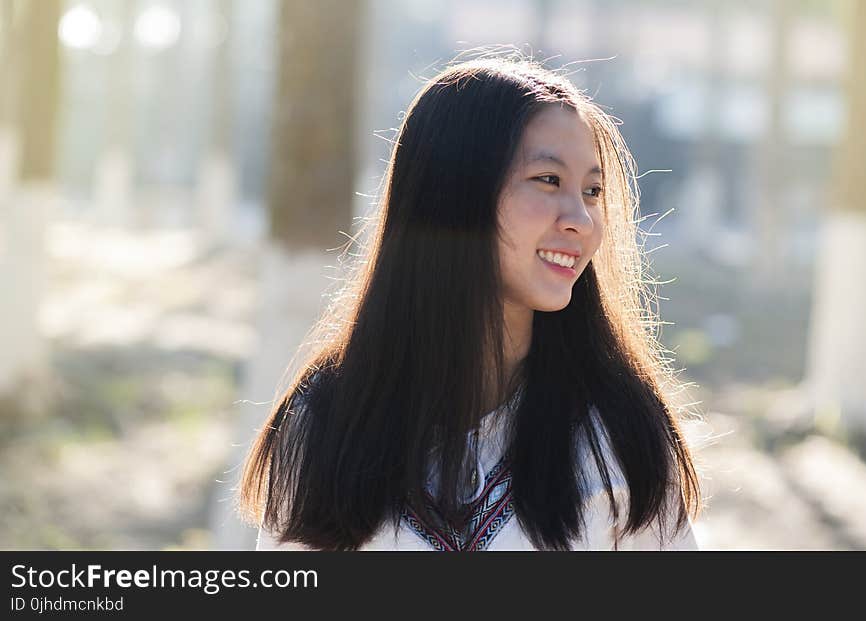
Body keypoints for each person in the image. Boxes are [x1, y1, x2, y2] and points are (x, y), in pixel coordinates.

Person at [240, 54, 703, 551]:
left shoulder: (619, 434)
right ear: (455, 195)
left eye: (592, 191)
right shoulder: (325, 429)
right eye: (549, 180)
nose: (582, 221)